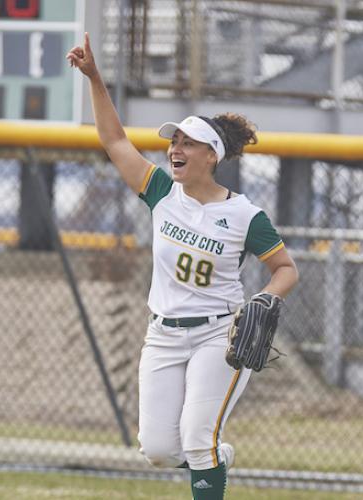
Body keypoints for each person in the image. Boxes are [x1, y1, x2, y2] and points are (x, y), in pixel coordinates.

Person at [67, 33, 299, 500]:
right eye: (174, 140)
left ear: (211, 156)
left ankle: (207, 453)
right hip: (164, 334)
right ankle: (214, 455)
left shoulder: (243, 215)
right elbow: (113, 139)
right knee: (157, 449)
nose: (175, 147)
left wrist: (266, 297)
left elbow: (286, 269)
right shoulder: (160, 192)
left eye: (188, 143)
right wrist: (95, 78)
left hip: (218, 334)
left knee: (196, 436)